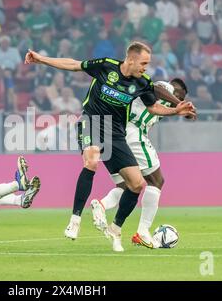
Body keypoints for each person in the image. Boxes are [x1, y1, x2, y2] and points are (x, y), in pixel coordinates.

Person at [24, 41, 195, 251]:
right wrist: (41, 59)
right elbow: (74, 64)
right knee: (92, 159)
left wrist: (176, 111)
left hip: (116, 131)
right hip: (93, 121)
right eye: (143, 63)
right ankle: (75, 220)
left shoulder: (142, 82)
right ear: (130, 59)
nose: (145, 67)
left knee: (136, 184)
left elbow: (153, 107)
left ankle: (115, 229)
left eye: (147, 64)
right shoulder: (106, 65)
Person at [91, 78, 189, 250]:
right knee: (157, 181)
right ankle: (143, 232)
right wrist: (179, 101)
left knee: (126, 186)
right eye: (181, 94)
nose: (181, 97)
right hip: (133, 132)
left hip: (116, 133)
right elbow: (157, 88)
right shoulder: (167, 88)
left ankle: (102, 205)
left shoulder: (165, 102)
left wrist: (182, 110)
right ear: (177, 90)